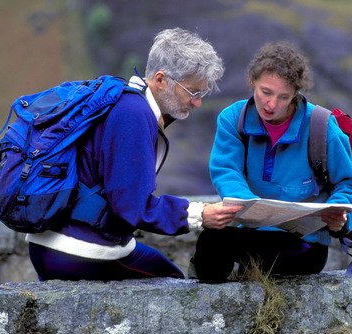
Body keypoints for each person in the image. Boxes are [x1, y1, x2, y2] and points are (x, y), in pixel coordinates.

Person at [26, 27, 243, 281]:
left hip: (50, 244)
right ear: (161, 80)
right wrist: (198, 215)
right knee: (172, 284)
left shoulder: (123, 100)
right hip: (79, 250)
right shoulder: (134, 115)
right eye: (193, 92)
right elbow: (132, 206)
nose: (198, 102)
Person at [190, 41, 352, 282]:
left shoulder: (322, 126)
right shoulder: (233, 119)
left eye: (283, 96)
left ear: (295, 94)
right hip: (251, 233)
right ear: (253, 81)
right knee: (210, 245)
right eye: (266, 92)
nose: (272, 104)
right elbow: (226, 170)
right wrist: (246, 205)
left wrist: (338, 217)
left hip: (304, 244)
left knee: (272, 263)